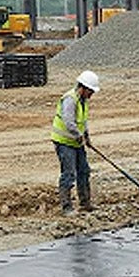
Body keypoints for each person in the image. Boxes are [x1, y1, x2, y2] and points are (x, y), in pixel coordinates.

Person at [50, 70, 100, 215]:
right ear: (83, 87)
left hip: (76, 142)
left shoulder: (83, 101)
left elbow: (82, 122)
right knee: (69, 173)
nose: (92, 94)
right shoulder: (70, 99)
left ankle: (85, 203)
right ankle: (66, 207)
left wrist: (87, 137)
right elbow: (68, 121)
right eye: (90, 91)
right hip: (64, 142)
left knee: (84, 171)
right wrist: (78, 135)